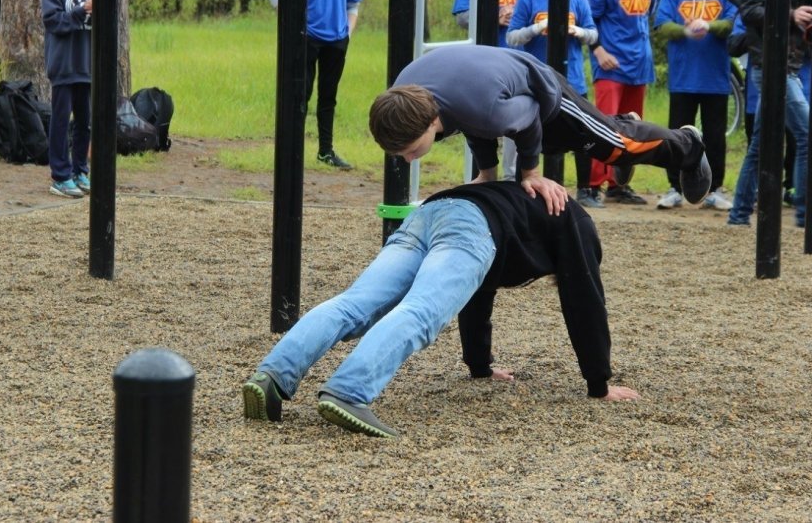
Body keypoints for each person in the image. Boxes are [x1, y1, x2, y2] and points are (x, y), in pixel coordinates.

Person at [242, 181, 640, 438]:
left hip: (431, 212)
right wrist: (599, 384)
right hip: (472, 225)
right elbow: (584, 299)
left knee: (354, 304)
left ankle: (272, 378)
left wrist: (480, 367)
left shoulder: (528, 217)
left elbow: (477, 291)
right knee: (421, 312)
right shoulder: (578, 228)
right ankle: (349, 392)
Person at [368, 44, 711, 215]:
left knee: (615, 144)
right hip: (500, 92)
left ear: (430, 121)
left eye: (411, 150)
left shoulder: (484, 110)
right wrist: (487, 174)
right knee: (600, 141)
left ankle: (687, 147)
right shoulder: (406, 95)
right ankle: (619, 133)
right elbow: (469, 120)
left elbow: (527, 116)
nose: (409, 159)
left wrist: (529, 174)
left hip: (544, 95)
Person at [724, 0, 812, 228]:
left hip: (791, 65)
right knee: (810, 135)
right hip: (770, 66)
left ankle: (738, 215)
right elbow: (749, 10)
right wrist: (790, 15)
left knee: (761, 144)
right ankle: (805, 215)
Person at [268, 0, 362, 170]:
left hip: (337, 41)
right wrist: (293, 25)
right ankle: (291, 153)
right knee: (300, 95)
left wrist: (347, 34)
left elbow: (353, 3)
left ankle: (325, 152)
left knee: (328, 98)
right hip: (306, 38)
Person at [506, 0, 603, 208]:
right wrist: (537, 29)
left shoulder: (578, 0)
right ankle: (537, 189)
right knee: (539, 138)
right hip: (536, 83)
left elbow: (593, 34)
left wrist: (578, 31)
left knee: (583, 134)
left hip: (573, 82)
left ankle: (585, 191)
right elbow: (512, 38)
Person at [654, 0, 737, 211]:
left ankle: (714, 189)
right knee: (678, 135)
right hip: (683, 76)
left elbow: (732, 22)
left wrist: (709, 26)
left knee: (714, 136)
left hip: (715, 76)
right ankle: (675, 187)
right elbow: (662, 23)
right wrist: (685, 30)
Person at [451, 0, 540, 181]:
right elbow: (460, 16)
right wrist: (493, 16)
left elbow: (537, 12)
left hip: (517, 60)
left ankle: (515, 180)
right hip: (484, 61)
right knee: (482, 119)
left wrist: (520, 17)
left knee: (519, 119)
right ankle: (483, 178)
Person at [583, 0, 659, 205]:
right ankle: (592, 185)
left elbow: (649, 16)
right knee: (603, 124)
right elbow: (586, 20)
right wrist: (598, 50)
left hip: (639, 65)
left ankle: (618, 183)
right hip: (611, 65)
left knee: (631, 128)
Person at [42, 0, 93, 198]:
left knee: (85, 121)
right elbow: (53, 21)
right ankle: (60, 175)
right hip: (63, 64)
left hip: (87, 65)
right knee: (61, 121)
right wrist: (81, 10)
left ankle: (80, 170)